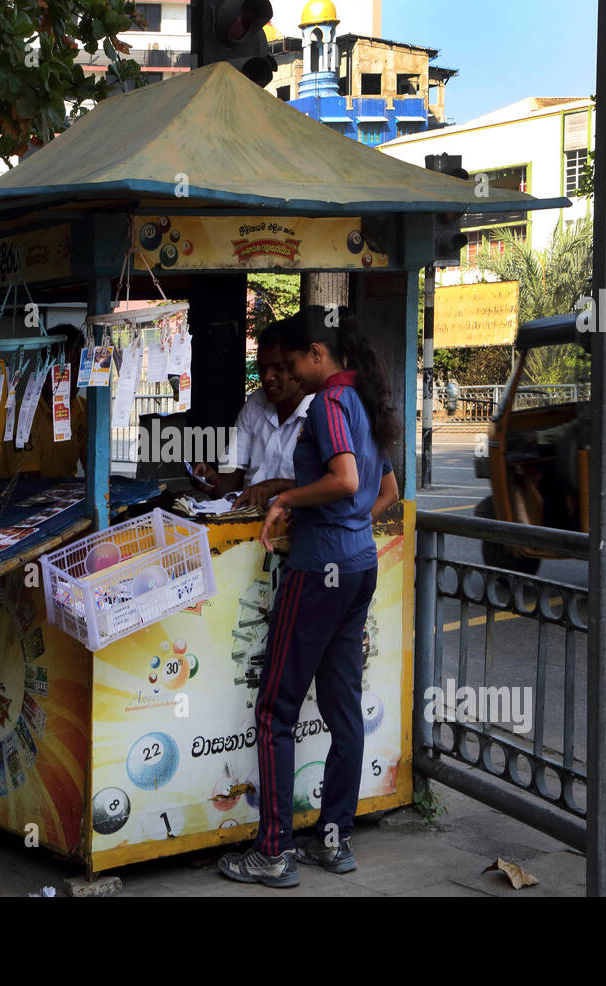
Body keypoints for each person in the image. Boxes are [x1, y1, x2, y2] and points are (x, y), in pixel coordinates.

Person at [217, 308, 401, 888]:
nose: (288, 374)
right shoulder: (366, 400)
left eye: (292, 362)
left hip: (319, 569)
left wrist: (289, 502)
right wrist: (350, 531)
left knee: (275, 709)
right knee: (344, 709)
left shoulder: (328, 404)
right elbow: (385, 488)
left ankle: (272, 852)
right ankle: (335, 839)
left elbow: (346, 478)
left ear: (316, 355)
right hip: (358, 565)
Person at [189, 323, 312, 509]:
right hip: (247, 519)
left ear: (298, 366)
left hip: (296, 525)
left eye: (278, 368)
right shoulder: (256, 403)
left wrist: (276, 487)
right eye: (262, 368)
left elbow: (333, 488)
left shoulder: (320, 411)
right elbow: (231, 481)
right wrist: (211, 480)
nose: (267, 377)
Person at [0, 324, 88, 478]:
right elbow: (29, 483)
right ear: (46, 367)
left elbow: (94, 470)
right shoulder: (23, 414)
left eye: (78, 367)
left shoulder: (85, 410)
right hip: (22, 497)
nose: (74, 375)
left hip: (66, 496)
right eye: (65, 368)